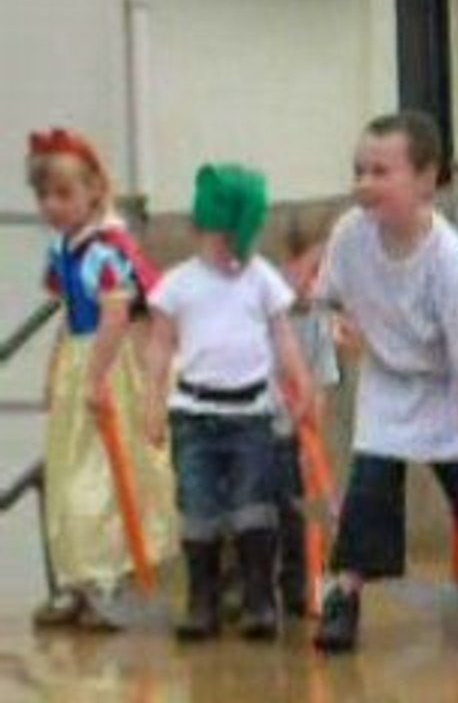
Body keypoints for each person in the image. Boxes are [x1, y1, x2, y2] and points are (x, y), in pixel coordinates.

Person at [312, 111, 458, 654]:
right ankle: (343, 594)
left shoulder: (449, 260)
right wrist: (337, 325)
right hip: (388, 379)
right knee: (370, 487)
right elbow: (326, 296)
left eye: (381, 172)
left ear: (427, 179)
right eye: (359, 170)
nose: (365, 183)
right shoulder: (349, 233)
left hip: (452, 382)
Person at [145, 164, 312, 642]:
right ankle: (203, 601)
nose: (235, 253)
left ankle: (260, 599)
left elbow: (284, 337)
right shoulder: (177, 284)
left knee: (253, 507)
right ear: (198, 230)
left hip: (252, 416)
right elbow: (159, 346)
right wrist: (153, 404)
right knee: (198, 507)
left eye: (244, 241)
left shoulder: (262, 280)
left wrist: (301, 384)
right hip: (194, 414)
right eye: (225, 241)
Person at [29, 127, 178, 630]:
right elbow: (69, 312)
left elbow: (115, 315)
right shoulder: (65, 248)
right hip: (79, 361)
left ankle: (108, 585)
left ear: (94, 190)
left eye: (64, 193)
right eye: (44, 195)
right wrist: (57, 371)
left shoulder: (106, 249)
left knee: (106, 478)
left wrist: (96, 378)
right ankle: (79, 581)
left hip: (109, 366)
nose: (52, 204)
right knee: (69, 476)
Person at [271, 222, 340, 618]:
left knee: (301, 512)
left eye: (323, 271)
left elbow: (324, 380)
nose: (316, 280)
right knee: (262, 515)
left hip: (299, 435)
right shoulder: (268, 309)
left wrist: (312, 442)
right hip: (262, 429)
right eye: (311, 268)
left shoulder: (319, 318)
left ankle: (300, 587)